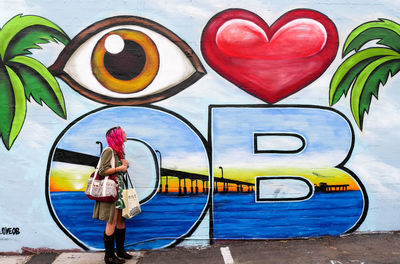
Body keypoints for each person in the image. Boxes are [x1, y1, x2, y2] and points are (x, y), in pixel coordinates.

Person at [93, 126, 132, 264]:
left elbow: (119, 171)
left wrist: (125, 165)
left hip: (119, 191)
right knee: (112, 222)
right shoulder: (108, 151)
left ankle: (120, 251)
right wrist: (119, 168)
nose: (126, 134)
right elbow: (103, 170)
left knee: (121, 221)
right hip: (112, 193)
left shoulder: (119, 152)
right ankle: (109, 256)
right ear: (118, 136)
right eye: (123, 133)